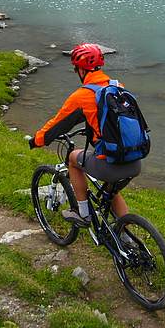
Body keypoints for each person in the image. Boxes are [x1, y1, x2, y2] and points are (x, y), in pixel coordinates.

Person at [29, 43, 141, 226]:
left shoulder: (82, 96)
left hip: (110, 163)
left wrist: (37, 140)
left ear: (81, 69)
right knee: (111, 192)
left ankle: (83, 214)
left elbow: (57, 125)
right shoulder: (118, 87)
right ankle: (126, 240)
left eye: (76, 69)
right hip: (135, 160)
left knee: (73, 159)